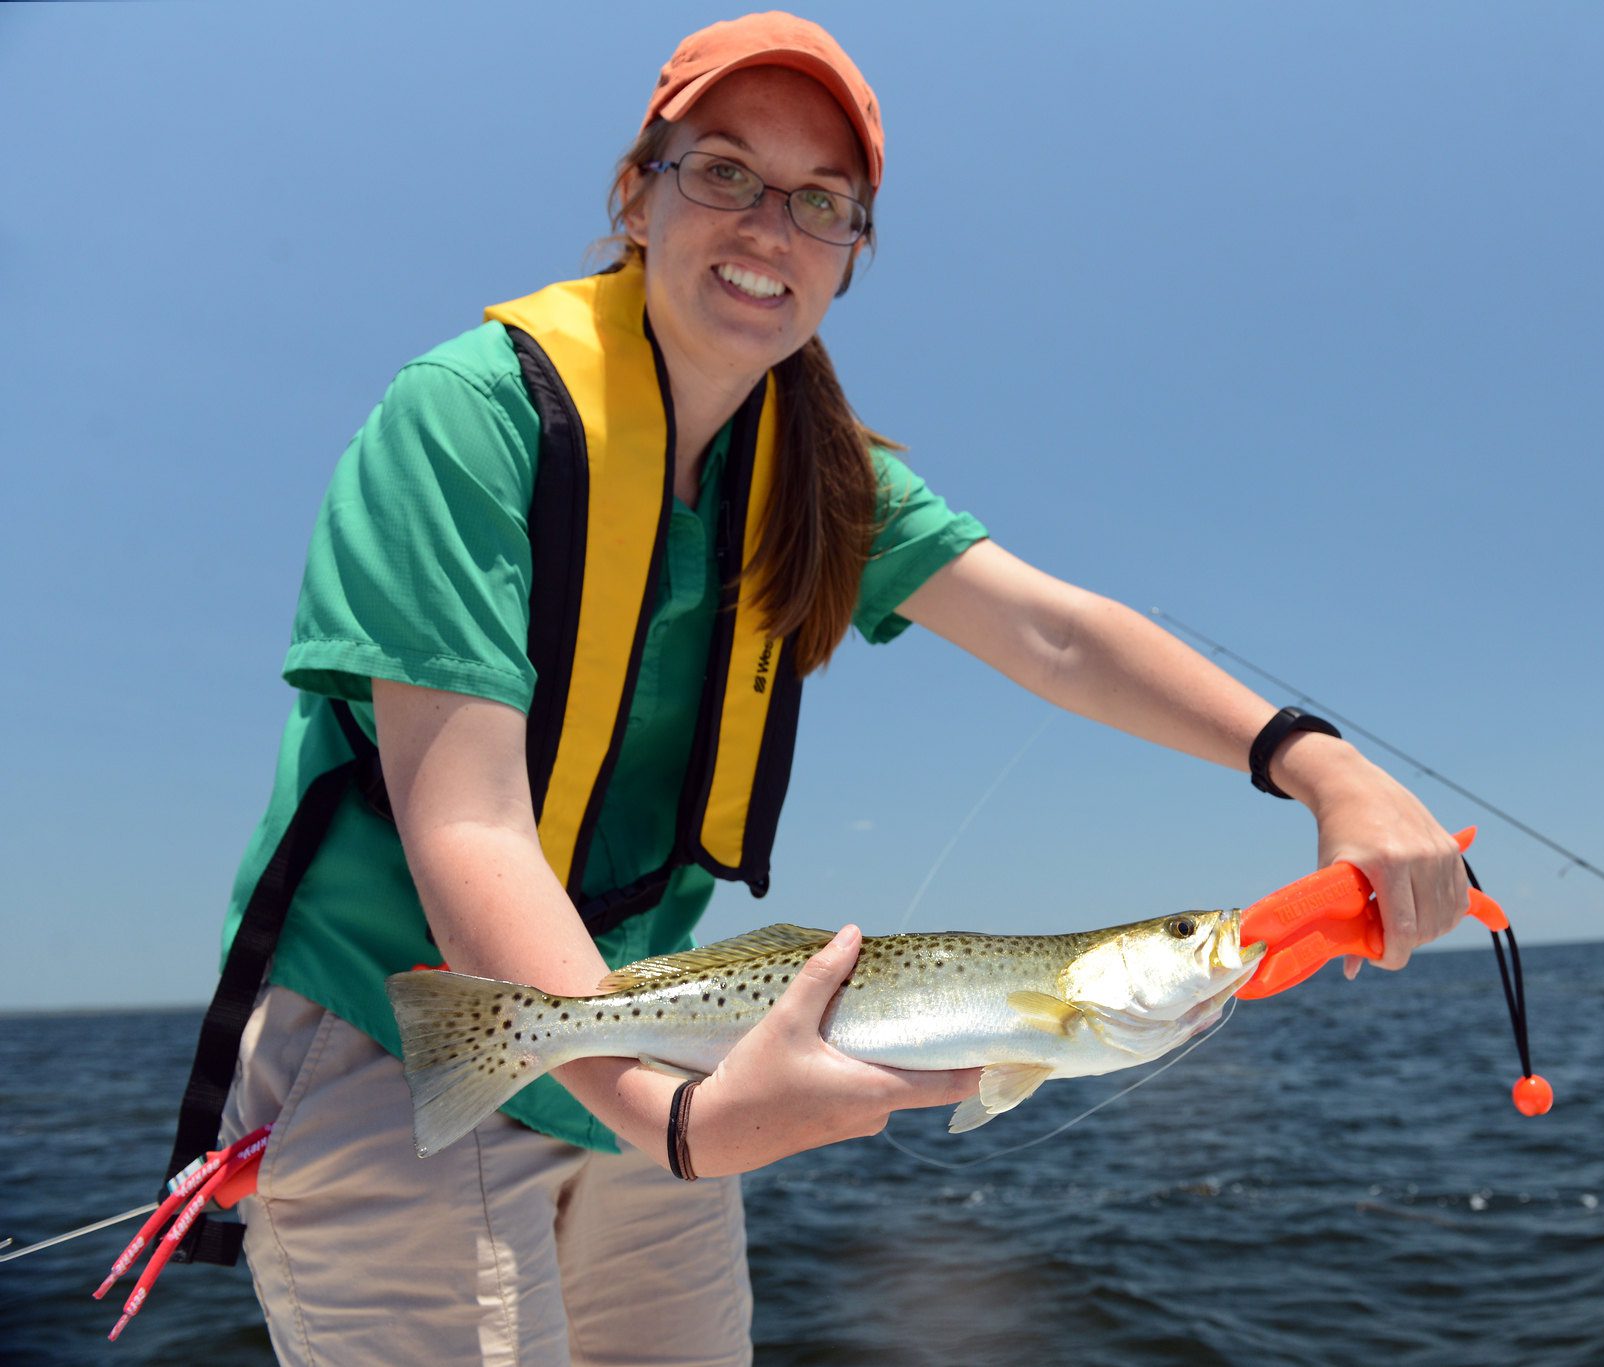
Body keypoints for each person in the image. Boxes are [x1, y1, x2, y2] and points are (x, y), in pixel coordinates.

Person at [201, 12, 1472, 1364]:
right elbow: (466, 823)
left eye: (822, 202)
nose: (768, 227)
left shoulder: (816, 471)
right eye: (724, 172)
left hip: (667, 1035)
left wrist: (1318, 762)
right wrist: (666, 1113)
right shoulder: (465, 419)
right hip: (411, 1036)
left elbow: (1052, 634)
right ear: (638, 192)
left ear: (854, 253)